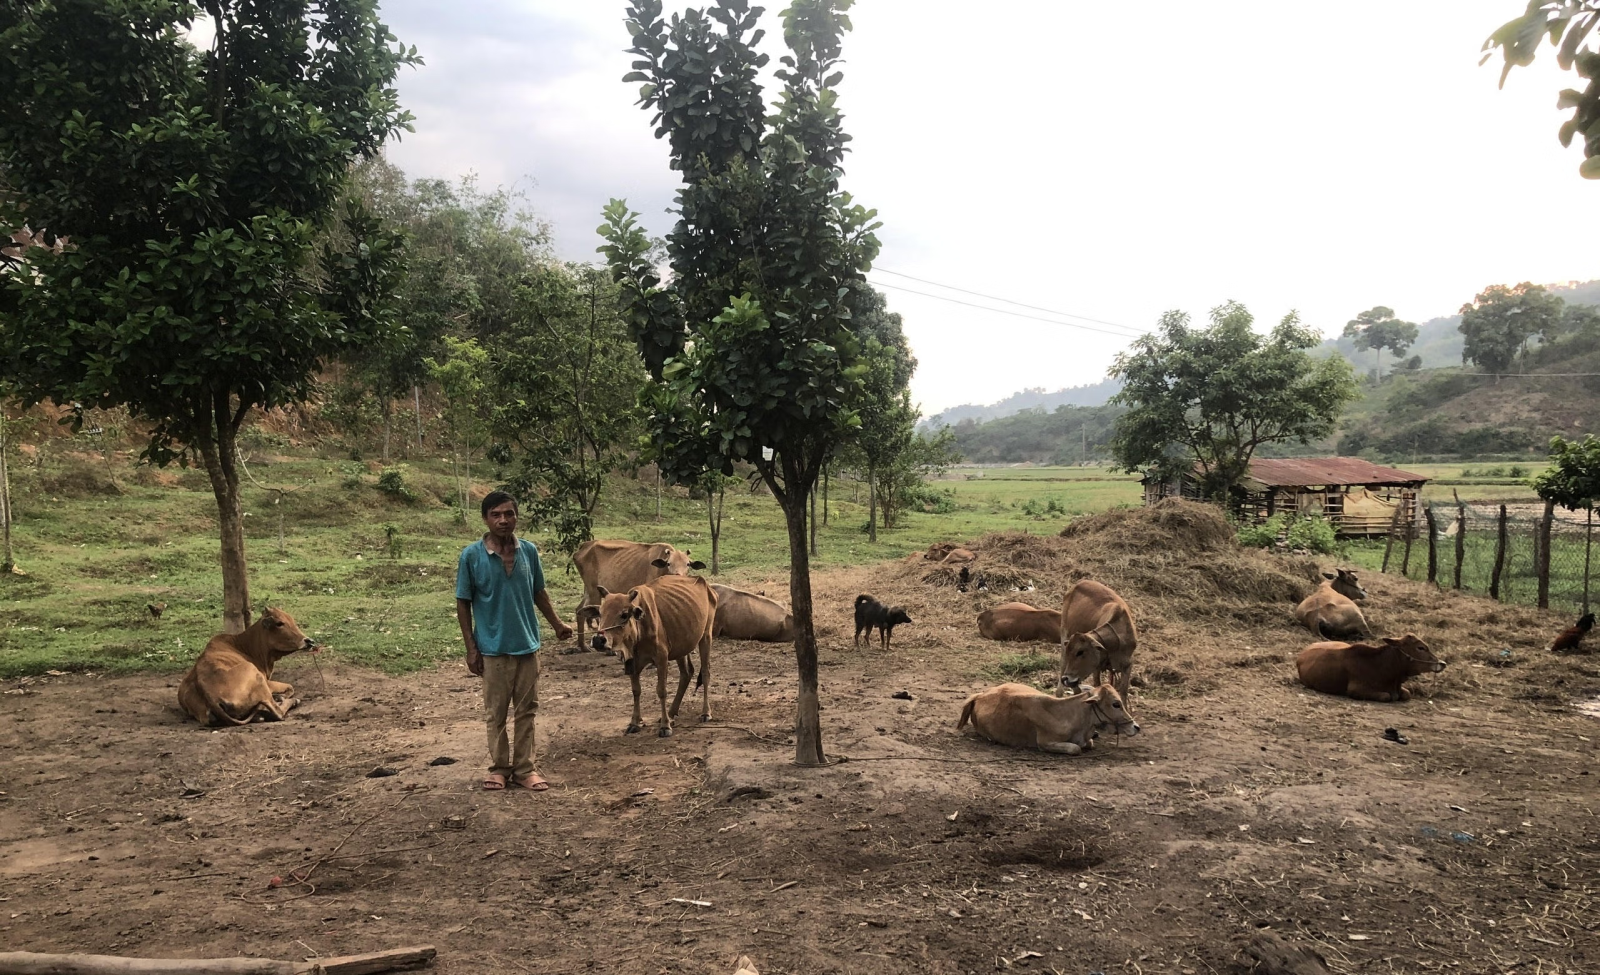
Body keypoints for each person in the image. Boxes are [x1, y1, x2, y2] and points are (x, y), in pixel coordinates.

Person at [455, 491, 572, 791]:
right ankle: (499, 768)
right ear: (485, 519)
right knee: (495, 713)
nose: (503, 520)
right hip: (492, 649)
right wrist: (471, 648)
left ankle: (524, 769)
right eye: (496, 515)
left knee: (526, 710)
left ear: (517, 517)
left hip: (527, 646)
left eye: (509, 514)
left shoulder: (528, 551)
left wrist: (557, 624)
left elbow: (539, 592)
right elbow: (463, 603)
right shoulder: (471, 556)